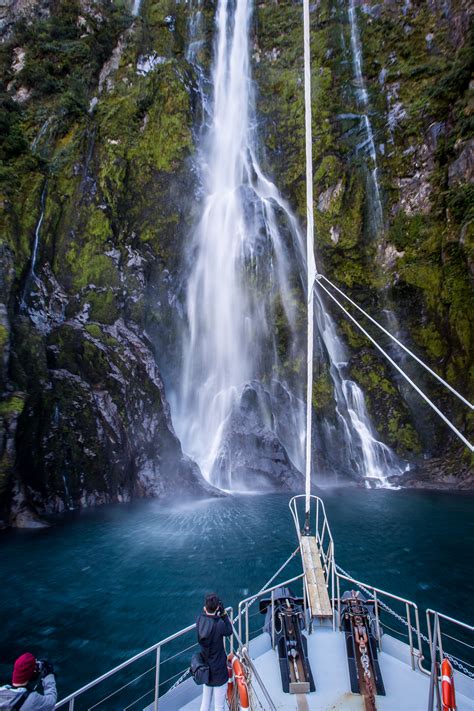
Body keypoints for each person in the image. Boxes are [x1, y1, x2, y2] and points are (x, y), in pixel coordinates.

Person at [197, 592, 232, 711]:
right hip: (219, 671)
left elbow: (206, 616)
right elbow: (229, 630)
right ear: (217, 607)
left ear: (204, 608)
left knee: (205, 704)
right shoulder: (219, 625)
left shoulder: (199, 620)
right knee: (219, 706)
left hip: (206, 669)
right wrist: (223, 614)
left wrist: (213, 612)